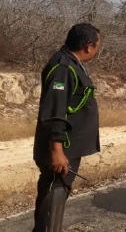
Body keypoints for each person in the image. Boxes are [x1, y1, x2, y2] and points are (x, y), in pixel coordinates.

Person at [32, 23, 101, 232]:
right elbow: (55, 111)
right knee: (54, 195)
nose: (98, 50)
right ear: (88, 46)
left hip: (68, 146)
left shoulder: (72, 63)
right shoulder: (63, 68)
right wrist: (57, 151)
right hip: (62, 148)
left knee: (56, 196)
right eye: (98, 45)